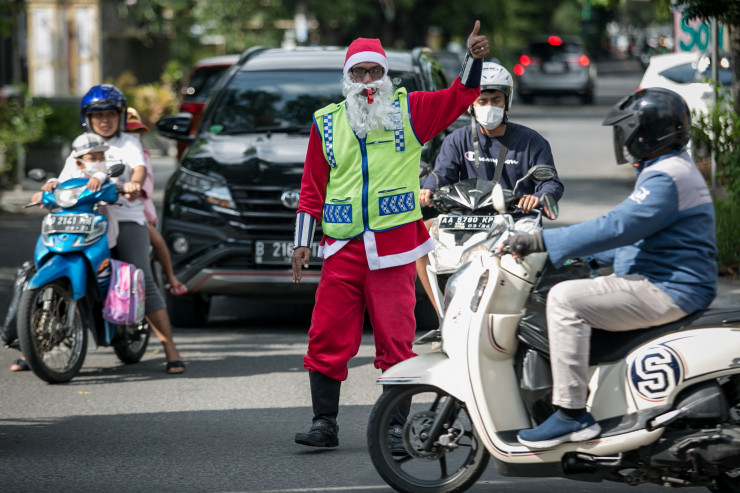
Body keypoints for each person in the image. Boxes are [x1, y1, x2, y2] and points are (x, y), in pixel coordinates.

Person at [291, 21, 489, 448]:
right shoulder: (326, 122)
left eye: (374, 72)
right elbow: (312, 187)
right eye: (359, 72)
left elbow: (460, 96)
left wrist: (472, 60)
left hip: (395, 247)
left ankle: (395, 427)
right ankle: (324, 423)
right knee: (326, 334)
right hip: (342, 246)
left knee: (396, 339)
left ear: (385, 75)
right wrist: (303, 241)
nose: (367, 81)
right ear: (347, 77)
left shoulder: (410, 110)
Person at [501, 87, 717, 449]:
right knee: (575, 291)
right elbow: (641, 235)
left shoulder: (667, 176)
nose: (624, 138)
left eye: (627, 129)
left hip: (670, 287)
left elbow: (618, 226)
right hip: (667, 280)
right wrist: (589, 260)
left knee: (565, 300)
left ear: (647, 132)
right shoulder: (669, 169)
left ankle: (571, 415)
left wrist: (542, 240)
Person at [43, 84, 186, 375]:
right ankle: (33, 345)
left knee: (141, 276)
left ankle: (170, 347)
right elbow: (65, 177)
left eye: (110, 114)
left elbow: (138, 168)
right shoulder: (82, 145)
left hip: (125, 217)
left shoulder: (128, 143)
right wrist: (51, 185)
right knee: (49, 264)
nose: (104, 120)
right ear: (88, 118)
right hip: (83, 219)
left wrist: (134, 183)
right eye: (98, 115)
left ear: (120, 117)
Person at [417, 61, 564, 314]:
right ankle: (444, 315)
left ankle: (517, 313)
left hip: (516, 220)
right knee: (419, 237)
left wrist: (538, 197)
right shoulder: (457, 140)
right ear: (471, 105)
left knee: (527, 254)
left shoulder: (532, 141)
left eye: (496, 100)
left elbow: (550, 182)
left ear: (507, 101)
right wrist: (429, 189)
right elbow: (441, 174)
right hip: (466, 219)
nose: (489, 106)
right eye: (482, 101)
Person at [124, 107, 188, 296]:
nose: (131, 135)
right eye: (126, 131)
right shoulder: (103, 153)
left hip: (139, 210)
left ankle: (171, 276)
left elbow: (145, 184)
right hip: (110, 208)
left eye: (135, 131)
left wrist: (134, 187)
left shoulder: (141, 156)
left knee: (157, 240)